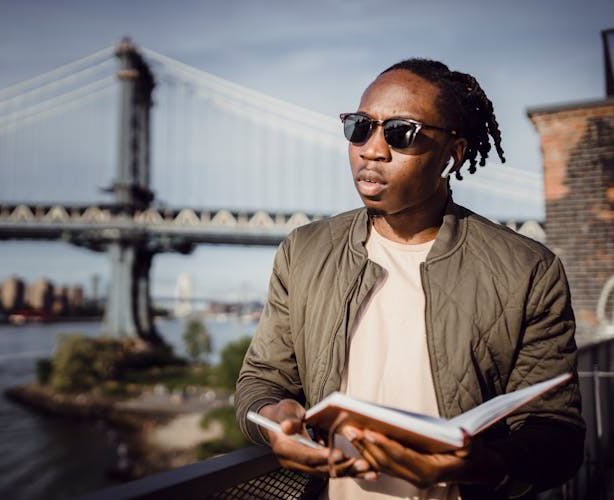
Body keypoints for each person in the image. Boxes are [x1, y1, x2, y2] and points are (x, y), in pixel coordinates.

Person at [235, 58, 585, 499]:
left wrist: (487, 466)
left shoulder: (528, 270)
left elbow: (557, 433)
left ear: (453, 153)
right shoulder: (303, 252)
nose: (372, 149)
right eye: (359, 127)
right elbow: (260, 382)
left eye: (401, 132)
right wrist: (276, 420)